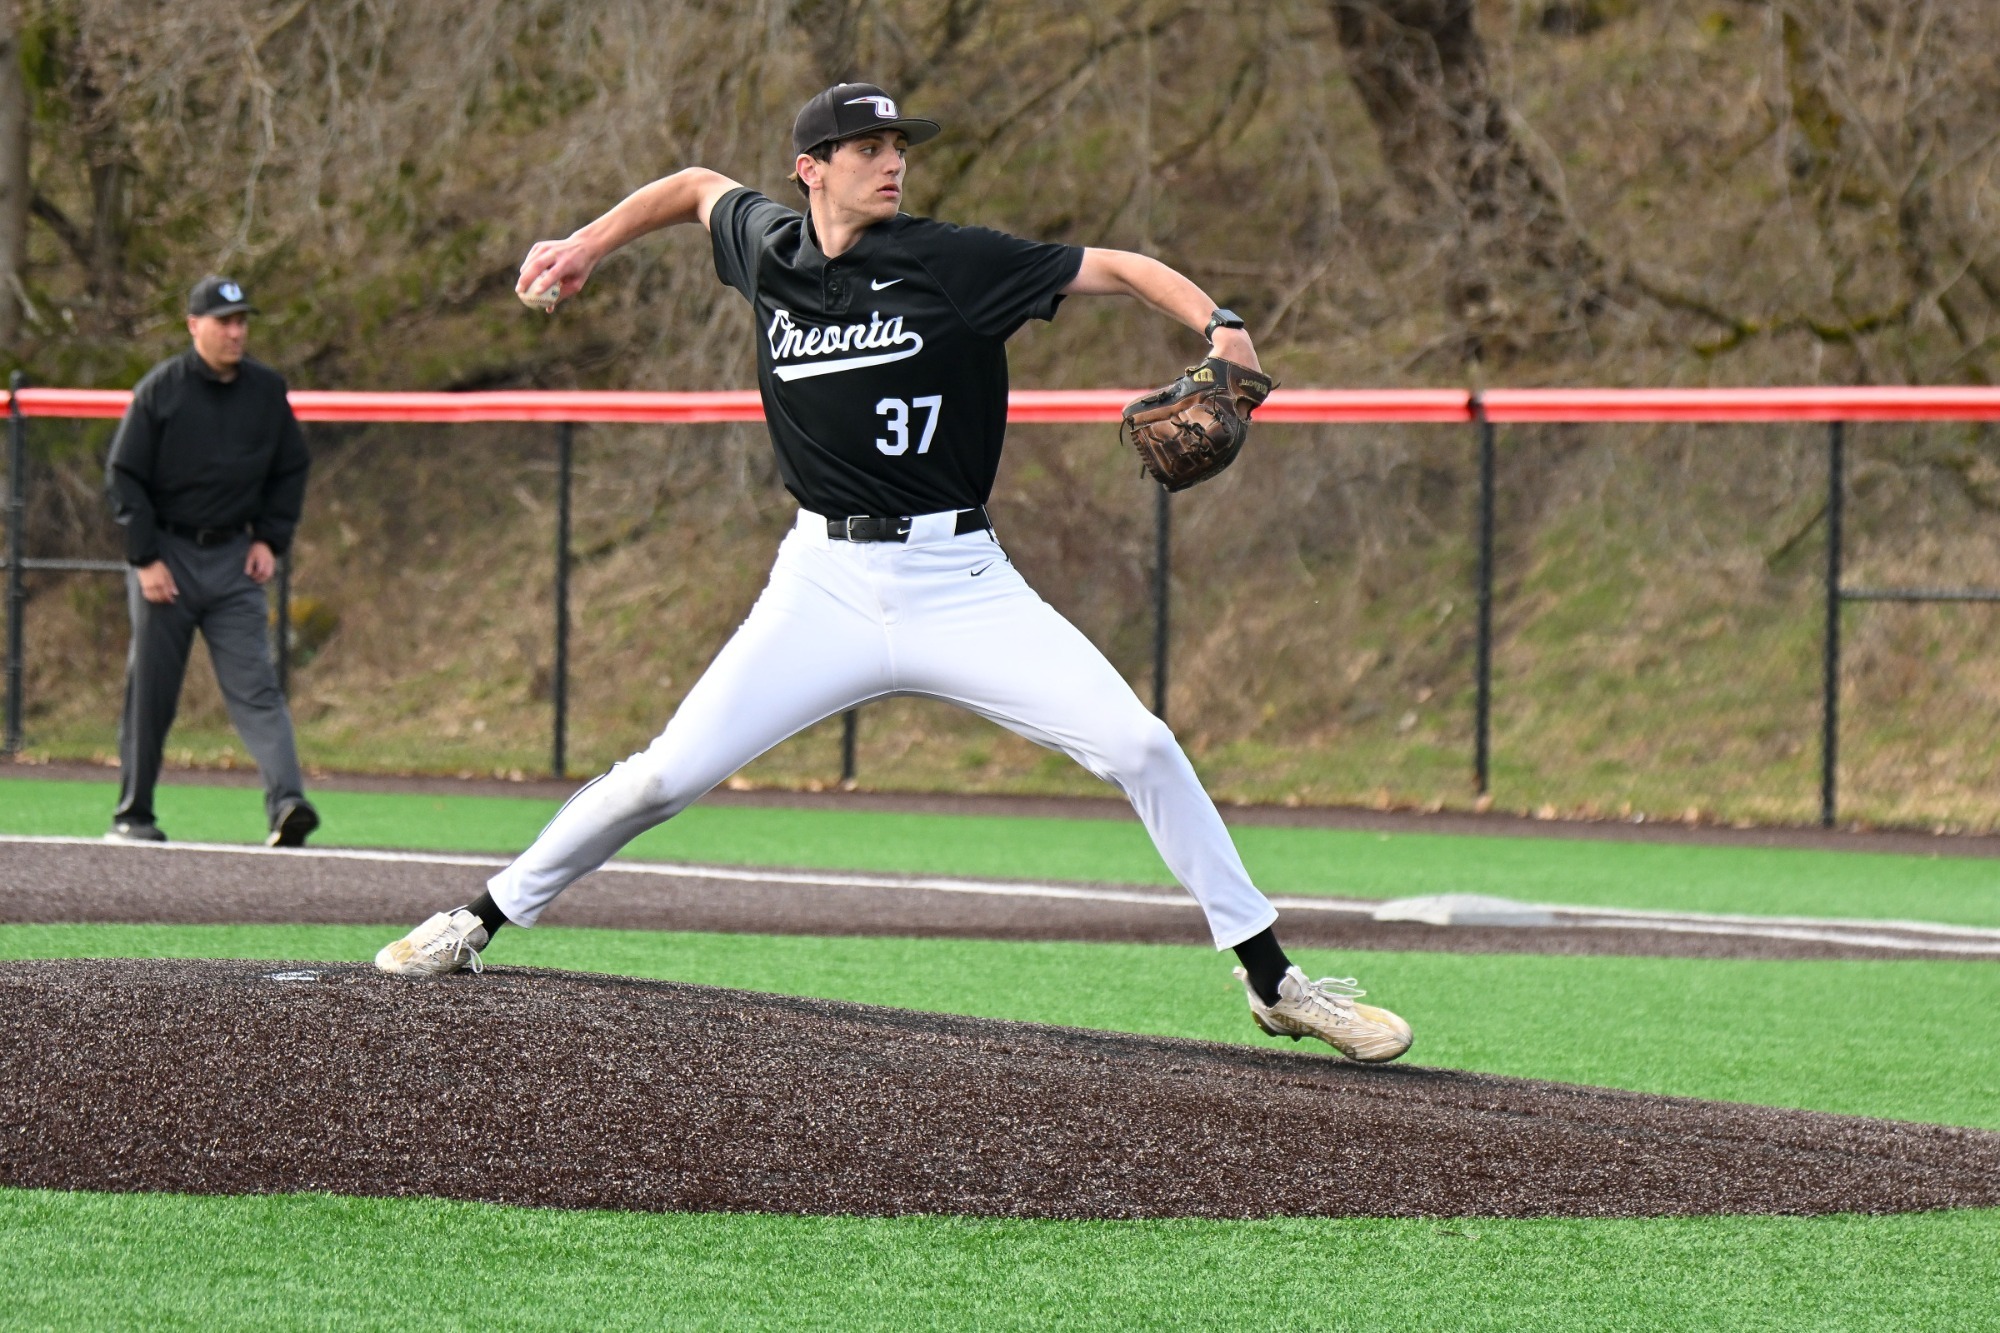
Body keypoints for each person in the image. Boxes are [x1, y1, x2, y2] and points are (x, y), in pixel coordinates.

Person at [375, 83, 1410, 1062]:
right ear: (809, 168)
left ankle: (1272, 981)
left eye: (898, 149)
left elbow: (1119, 267)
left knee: (1139, 744)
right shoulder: (770, 245)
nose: (891, 166)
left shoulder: (951, 262)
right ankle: (476, 916)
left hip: (960, 579)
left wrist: (1219, 324)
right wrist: (587, 244)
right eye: (867, 149)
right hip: (821, 581)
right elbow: (694, 188)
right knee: (661, 774)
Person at [104, 275, 318, 849]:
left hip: (232, 560)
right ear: (193, 324)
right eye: (224, 321)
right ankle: (135, 815)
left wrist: (269, 540)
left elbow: (291, 468)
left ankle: (288, 805)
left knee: (258, 690)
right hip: (165, 561)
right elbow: (125, 477)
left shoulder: (266, 391)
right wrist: (145, 557)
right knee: (151, 692)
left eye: (242, 320)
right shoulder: (161, 390)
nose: (236, 331)